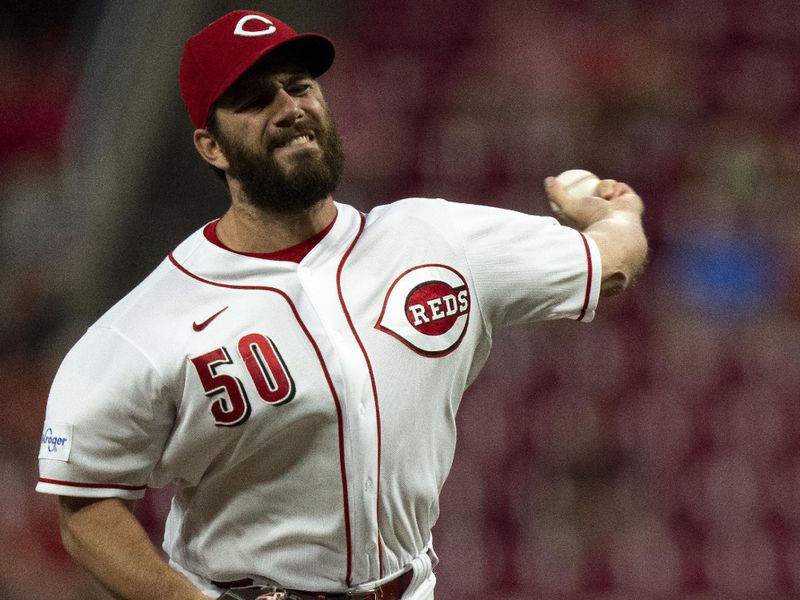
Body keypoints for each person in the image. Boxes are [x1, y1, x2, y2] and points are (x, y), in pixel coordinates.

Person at [36, 9, 648, 600]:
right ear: (211, 147)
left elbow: (609, 263)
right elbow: (85, 506)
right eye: (253, 99)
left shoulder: (435, 239)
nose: (289, 108)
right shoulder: (144, 327)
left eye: (300, 86)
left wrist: (620, 213)